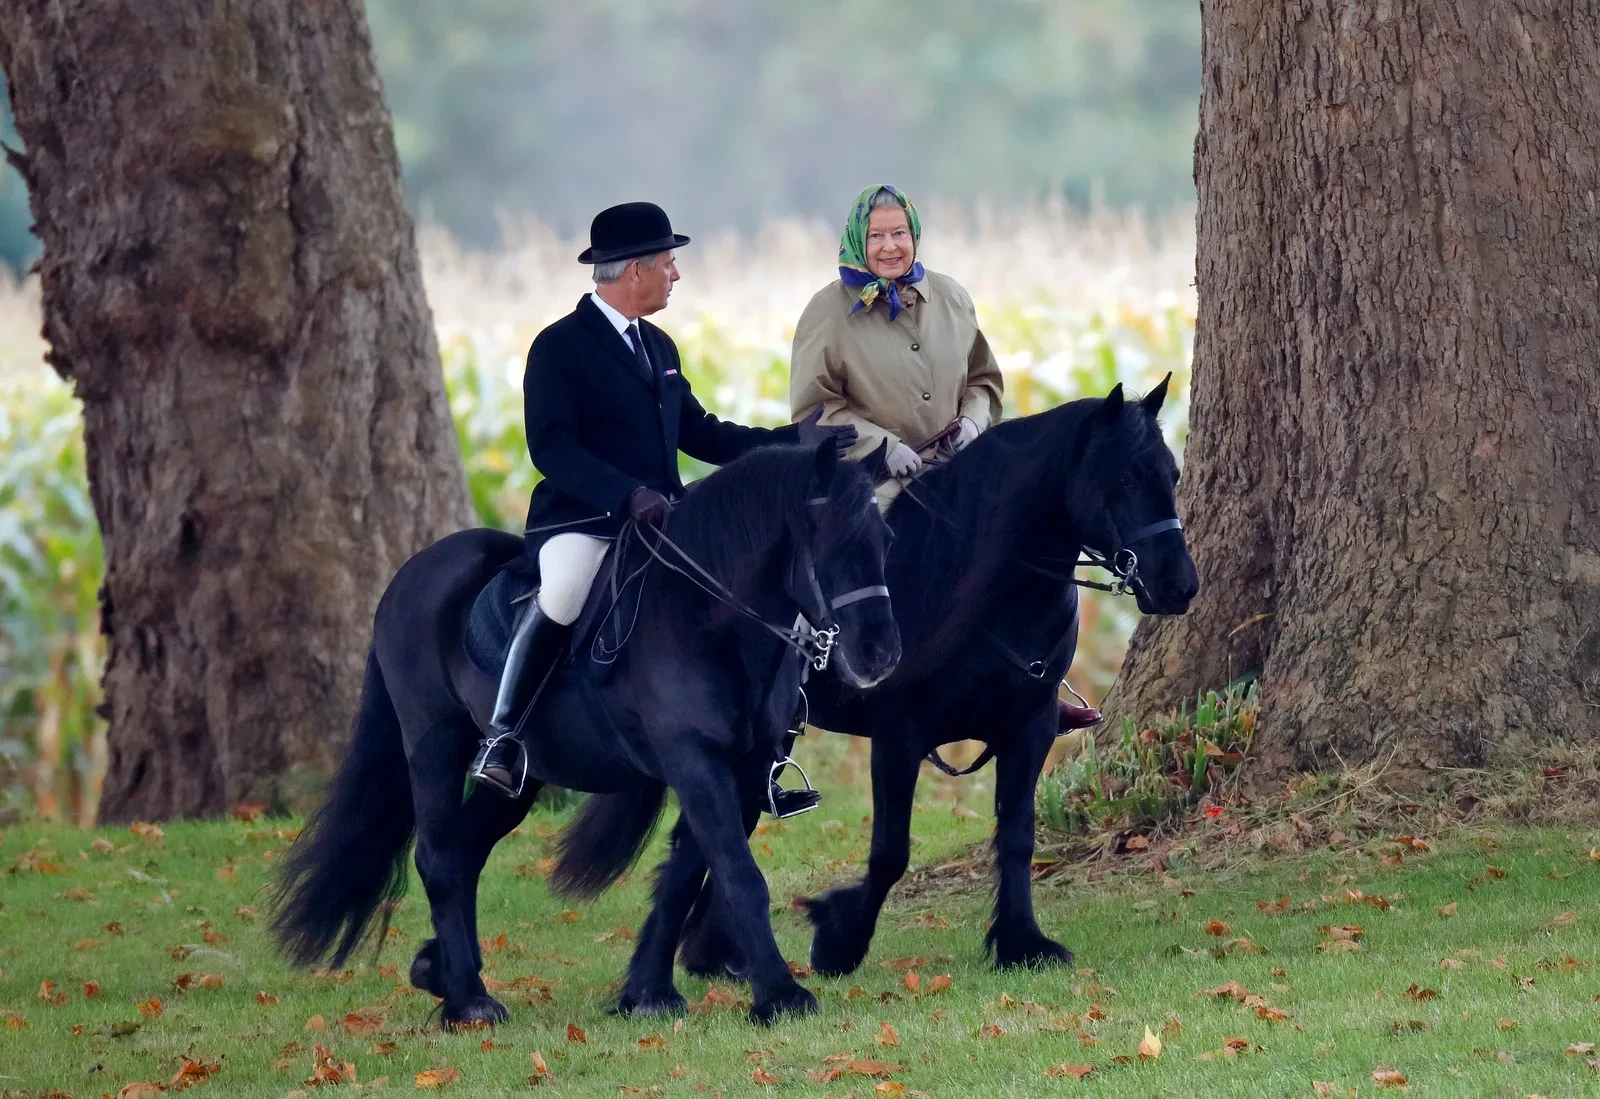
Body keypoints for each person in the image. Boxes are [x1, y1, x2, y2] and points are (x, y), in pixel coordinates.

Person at [472, 202, 855, 800]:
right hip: (585, 521)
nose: (676, 274)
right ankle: (504, 735)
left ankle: (770, 750)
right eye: (669, 263)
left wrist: (795, 443)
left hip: (664, 521)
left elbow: (702, 433)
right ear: (634, 272)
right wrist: (626, 494)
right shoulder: (559, 347)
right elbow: (551, 448)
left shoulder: (659, 347)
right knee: (566, 591)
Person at [789, 185, 1101, 733]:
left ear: (914, 236)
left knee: (1023, 542)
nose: (890, 247)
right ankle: (800, 679)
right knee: (856, 559)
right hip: (868, 479)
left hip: (958, 472)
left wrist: (977, 422)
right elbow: (815, 408)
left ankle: (1037, 687)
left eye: (899, 234)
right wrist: (884, 447)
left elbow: (983, 379)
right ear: (858, 239)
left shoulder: (952, 297)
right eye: (878, 236)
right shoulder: (827, 312)